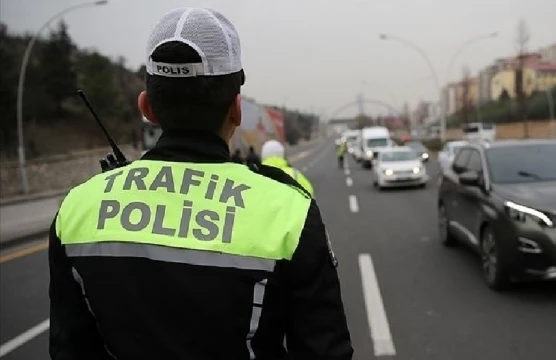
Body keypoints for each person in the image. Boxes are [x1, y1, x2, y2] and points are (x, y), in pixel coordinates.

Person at [48, 7, 353, 360]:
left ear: (147, 107)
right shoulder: (289, 212)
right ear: (236, 109)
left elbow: (69, 350)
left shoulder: (76, 210)